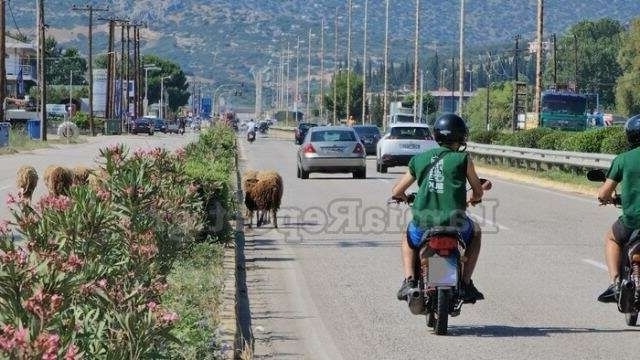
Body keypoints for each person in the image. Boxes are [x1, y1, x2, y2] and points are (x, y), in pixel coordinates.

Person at [392, 113, 485, 304]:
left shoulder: (419, 159)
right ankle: (466, 283)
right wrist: (474, 198)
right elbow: (478, 190)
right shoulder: (463, 159)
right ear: (461, 137)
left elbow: (397, 190)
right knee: (476, 232)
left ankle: (409, 281)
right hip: (456, 225)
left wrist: (402, 197)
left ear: (437, 135)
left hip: (423, 224)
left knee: (407, 237)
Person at [596, 114, 640, 303]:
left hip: (632, 222)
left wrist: (607, 198)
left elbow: (604, 193)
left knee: (611, 238)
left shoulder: (623, 159)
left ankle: (615, 284)